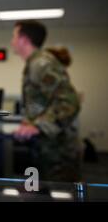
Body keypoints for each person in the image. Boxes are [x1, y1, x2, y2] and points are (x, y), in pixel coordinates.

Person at [11, 20, 81, 182]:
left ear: (24, 40)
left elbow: (69, 104)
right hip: (46, 148)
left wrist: (37, 126)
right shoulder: (34, 64)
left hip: (58, 151)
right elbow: (40, 104)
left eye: (14, 36)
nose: (11, 41)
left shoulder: (42, 64)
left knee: (61, 194)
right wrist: (28, 122)